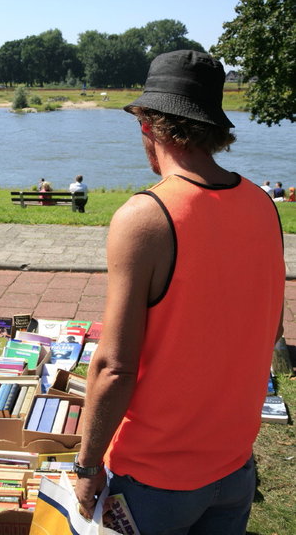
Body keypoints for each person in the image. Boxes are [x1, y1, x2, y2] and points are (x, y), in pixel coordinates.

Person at [74, 50, 285, 535]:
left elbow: (114, 367)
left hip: (153, 477)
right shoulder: (261, 204)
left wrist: (87, 469)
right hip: (233, 465)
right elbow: (270, 325)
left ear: (148, 125)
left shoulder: (146, 216)